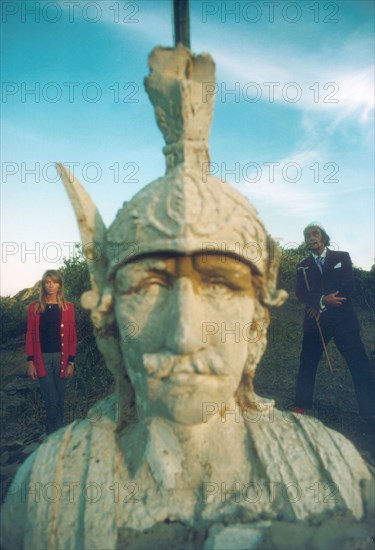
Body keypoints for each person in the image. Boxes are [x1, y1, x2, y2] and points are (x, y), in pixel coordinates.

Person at [1, 46, 373, 550]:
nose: (183, 332)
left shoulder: (335, 475)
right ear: (109, 329)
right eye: (148, 286)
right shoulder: (50, 490)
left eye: (220, 285)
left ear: (256, 329)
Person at [293, 223, 375, 416]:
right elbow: (300, 293)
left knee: (359, 363)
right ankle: (300, 406)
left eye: (315, 233)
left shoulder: (342, 258)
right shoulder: (302, 266)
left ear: (323, 238)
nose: (311, 237)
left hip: (343, 322)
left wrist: (322, 304)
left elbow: (348, 287)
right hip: (316, 324)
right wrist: (320, 300)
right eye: (307, 235)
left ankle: (369, 409)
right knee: (307, 363)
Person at [26, 269, 77, 434]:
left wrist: (71, 362)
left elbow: (72, 337)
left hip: (62, 359)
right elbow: (30, 335)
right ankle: (56, 436)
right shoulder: (34, 307)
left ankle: (54, 433)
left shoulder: (68, 307)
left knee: (60, 399)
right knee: (52, 399)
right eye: (48, 282)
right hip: (42, 359)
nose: (51, 285)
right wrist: (30, 361)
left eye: (54, 282)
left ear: (59, 285)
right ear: (43, 284)